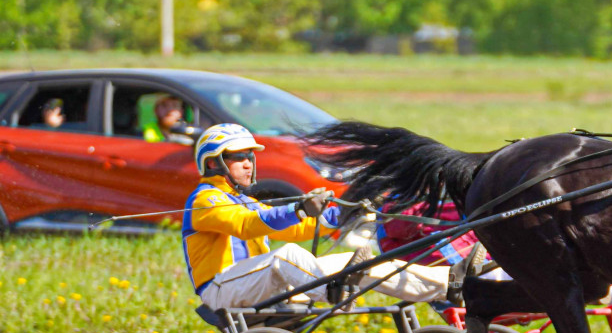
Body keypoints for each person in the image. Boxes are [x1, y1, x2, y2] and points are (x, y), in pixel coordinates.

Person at [183, 123, 455, 311]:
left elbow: (298, 229)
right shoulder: (205, 200)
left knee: (362, 262)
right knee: (285, 255)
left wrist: (345, 212)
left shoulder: (246, 201)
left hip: (255, 284)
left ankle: (449, 284)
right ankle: (331, 291)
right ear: (212, 162)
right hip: (220, 290)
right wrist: (298, 209)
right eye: (237, 157)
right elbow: (245, 226)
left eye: (250, 156)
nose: (247, 163)